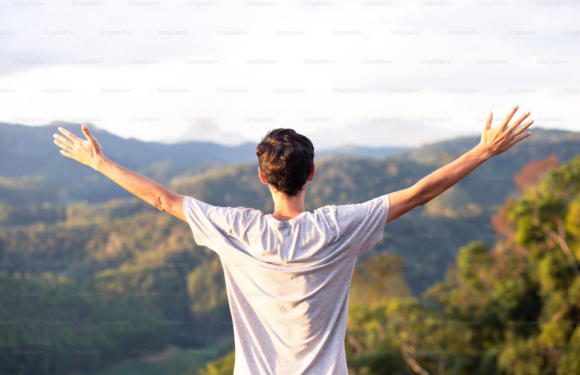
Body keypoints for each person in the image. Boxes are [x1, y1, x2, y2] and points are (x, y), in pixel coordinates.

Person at [53, 106, 533, 375]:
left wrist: (99, 163)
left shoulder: (236, 227)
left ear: (262, 176)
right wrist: (484, 149)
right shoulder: (339, 227)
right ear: (314, 173)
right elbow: (419, 193)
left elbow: (163, 200)